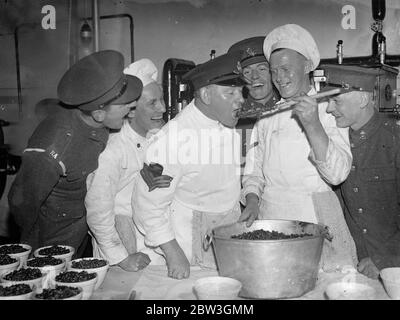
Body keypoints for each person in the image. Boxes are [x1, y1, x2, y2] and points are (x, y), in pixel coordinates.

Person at [240, 24, 357, 271]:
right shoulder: (267, 114)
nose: (279, 78)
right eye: (273, 71)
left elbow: (337, 174)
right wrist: (251, 201)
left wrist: (313, 124)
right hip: (271, 218)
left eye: (285, 69)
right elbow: (254, 172)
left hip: (316, 216)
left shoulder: (329, 107)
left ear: (306, 66)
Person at [8, 50, 143, 258]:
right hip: (52, 239)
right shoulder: (55, 147)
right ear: (98, 114)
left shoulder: (97, 118)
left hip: (84, 230)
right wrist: (35, 242)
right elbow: (22, 202)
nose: (132, 108)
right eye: (125, 105)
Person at [132, 52, 246, 279]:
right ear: (205, 94)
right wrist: (174, 253)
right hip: (187, 247)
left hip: (226, 237)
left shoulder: (225, 124)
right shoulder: (172, 139)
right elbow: (147, 205)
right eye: (230, 92)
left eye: (241, 92)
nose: (241, 99)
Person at [85, 58, 170, 272]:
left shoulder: (160, 136)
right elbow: (98, 212)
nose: (163, 107)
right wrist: (121, 258)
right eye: (153, 103)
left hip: (156, 238)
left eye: (161, 99)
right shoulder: (112, 150)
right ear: (131, 110)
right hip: (123, 244)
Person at [323, 63, 400, 279]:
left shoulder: (394, 139)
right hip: (348, 264)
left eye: (336, 100)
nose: (329, 108)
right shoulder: (336, 140)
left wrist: (385, 259)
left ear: (363, 99)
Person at [228, 36, 279, 114]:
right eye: (247, 72)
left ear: (272, 72)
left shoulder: (291, 107)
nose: (254, 76)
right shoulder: (233, 114)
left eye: (262, 69)